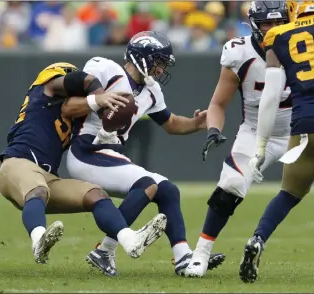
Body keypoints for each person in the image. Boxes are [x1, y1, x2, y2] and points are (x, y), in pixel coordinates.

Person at [186, 0, 314, 278]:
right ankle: (200, 255)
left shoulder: (299, 41)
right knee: (230, 184)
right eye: (267, 23)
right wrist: (213, 130)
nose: (273, 28)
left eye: (279, 22)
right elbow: (218, 103)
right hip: (256, 130)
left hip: (301, 131)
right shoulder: (239, 52)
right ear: (254, 25)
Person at [66, 31, 225, 277]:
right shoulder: (105, 69)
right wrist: (100, 101)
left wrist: (197, 124)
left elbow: (170, 123)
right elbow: (72, 102)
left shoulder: (151, 91)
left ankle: (183, 257)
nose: (160, 69)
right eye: (158, 61)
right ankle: (106, 249)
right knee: (147, 183)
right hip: (87, 150)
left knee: (168, 190)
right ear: (142, 56)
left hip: (112, 153)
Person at [0, 62, 168, 265]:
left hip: (48, 177)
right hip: (16, 164)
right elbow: (83, 80)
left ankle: (130, 240)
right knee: (38, 190)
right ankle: (38, 240)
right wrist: (100, 95)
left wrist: (108, 129)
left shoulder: (73, 110)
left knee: (96, 194)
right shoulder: (45, 90)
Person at [240, 0, 314, 283]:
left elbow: (270, 98)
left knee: (289, 194)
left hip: (307, 126)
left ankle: (258, 239)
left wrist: (260, 146)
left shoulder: (279, 36)